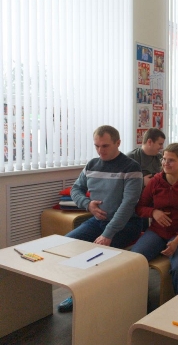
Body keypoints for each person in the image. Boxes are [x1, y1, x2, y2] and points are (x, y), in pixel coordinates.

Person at [58, 125, 143, 313]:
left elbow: (128, 204)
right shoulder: (92, 165)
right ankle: (79, 293)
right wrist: (88, 204)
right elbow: (75, 189)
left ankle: (94, 295)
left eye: (105, 146)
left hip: (126, 224)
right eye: (96, 146)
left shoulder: (131, 167)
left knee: (96, 254)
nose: (100, 150)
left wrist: (108, 234)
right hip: (98, 220)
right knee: (67, 245)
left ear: (118, 143)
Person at [131, 143, 178, 295]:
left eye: (171, 160)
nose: (165, 163)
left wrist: (177, 241)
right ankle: (139, 300)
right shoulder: (156, 181)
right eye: (164, 159)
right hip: (157, 232)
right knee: (134, 260)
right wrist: (153, 212)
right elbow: (140, 207)